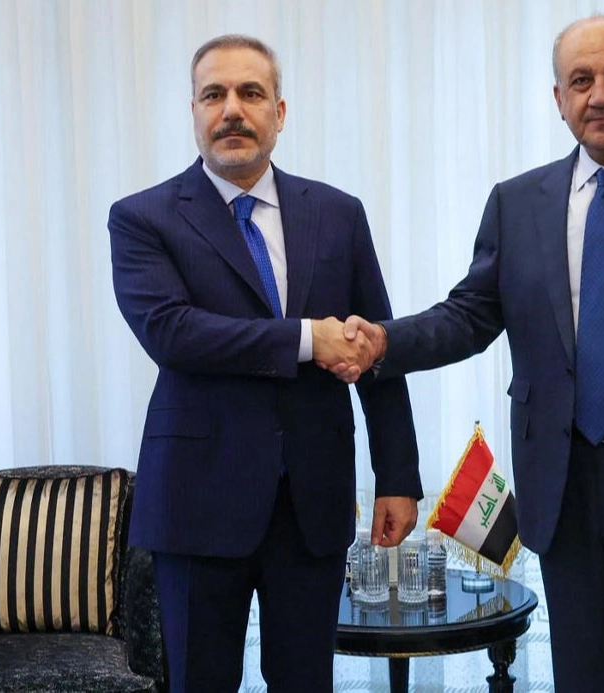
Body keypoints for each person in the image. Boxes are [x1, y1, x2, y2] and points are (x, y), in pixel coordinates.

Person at [335, 15, 604, 692]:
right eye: (580, 80)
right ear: (558, 99)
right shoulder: (518, 203)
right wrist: (383, 341)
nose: (599, 94)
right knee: (584, 676)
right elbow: (469, 316)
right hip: (564, 484)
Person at [108, 35, 422, 692]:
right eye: (213, 94)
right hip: (196, 502)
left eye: (250, 93)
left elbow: (374, 349)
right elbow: (173, 333)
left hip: (312, 500)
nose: (232, 109)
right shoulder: (143, 218)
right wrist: (307, 339)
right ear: (193, 112)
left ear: (279, 112)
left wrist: (397, 476)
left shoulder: (338, 214)